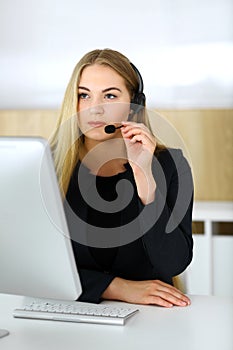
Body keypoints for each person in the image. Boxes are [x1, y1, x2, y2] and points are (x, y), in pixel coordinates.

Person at [50, 48, 193, 308]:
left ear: (133, 105)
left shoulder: (171, 165)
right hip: (70, 311)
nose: (95, 109)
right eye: (84, 95)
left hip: (149, 316)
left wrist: (144, 176)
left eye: (110, 96)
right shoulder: (48, 165)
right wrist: (116, 287)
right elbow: (35, 265)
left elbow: (173, 263)